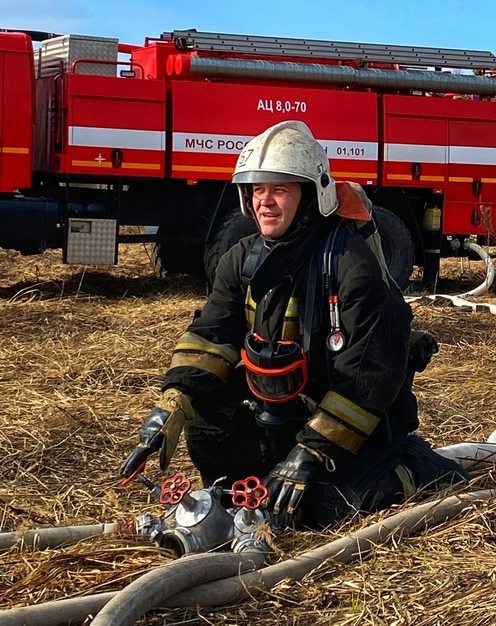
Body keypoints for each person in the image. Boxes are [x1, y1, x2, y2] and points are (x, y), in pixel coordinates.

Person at [120, 120, 465, 531]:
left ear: (309, 195)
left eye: (279, 190)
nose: (265, 202)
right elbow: (212, 335)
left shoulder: (351, 266)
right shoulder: (241, 258)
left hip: (356, 423)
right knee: (213, 435)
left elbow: (368, 377)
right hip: (279, 412)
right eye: (257, 190)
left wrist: (309, 455)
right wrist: (173, 403)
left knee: (329, 508)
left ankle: (416, 468)